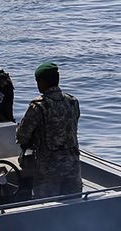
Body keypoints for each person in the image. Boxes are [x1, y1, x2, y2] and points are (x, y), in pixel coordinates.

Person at [16, 62, 82, 198]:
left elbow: (22, 136)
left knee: (46, 208)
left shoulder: (38, 106)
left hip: (49, 170)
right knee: (74, 206)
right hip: (73, 167)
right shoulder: (72, 101)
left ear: (42, 82)